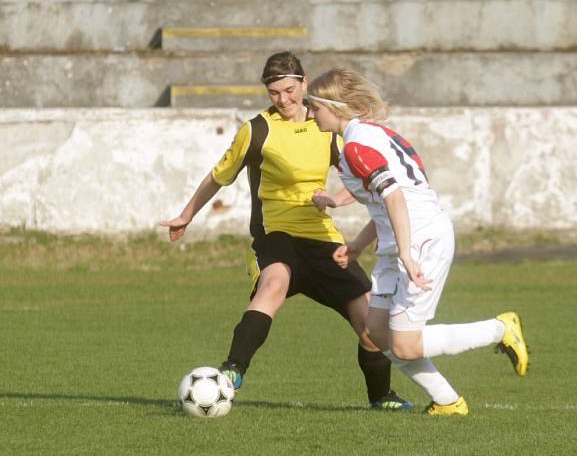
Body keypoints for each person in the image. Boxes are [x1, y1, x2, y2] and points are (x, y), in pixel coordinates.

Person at [160, 52, 411, 410]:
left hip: (323, 239)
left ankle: (381, 397)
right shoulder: (257, 130)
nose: (283, 99)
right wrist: (186, 215)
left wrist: (337, 200)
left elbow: (360, 178)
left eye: (289, 90)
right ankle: (232, 370)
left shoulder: (325, 125)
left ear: (305, 84)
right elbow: (218, 177)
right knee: (274, 284)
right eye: (274, 92)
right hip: (275, 234)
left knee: (369, 319)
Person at [307, 68, 530, 416]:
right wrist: (358, 245)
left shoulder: (355, 145)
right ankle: (448, 402)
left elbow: (395, 198)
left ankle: (500, 329)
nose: (309, 114)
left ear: (334, 106)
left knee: (406, 345)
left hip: (421, 239)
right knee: (377, 332)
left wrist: (408, 254)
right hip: (400, 241)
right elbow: (388, 202)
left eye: (313, 107)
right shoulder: (373, 135)